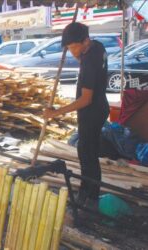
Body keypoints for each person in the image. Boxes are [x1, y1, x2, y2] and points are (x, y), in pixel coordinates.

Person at [44, 22, 109, 208]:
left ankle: (89, 196)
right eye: (69, 48)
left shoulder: (89, 62)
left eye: (74, 47)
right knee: (88, 152)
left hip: (92, 111)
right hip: (100, 107)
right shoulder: (97, 47)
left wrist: (55, 113)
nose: (72, 52)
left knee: (87, 154)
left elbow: (85, 99)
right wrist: (78, 54)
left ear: (85, 41)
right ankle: (89, 192)